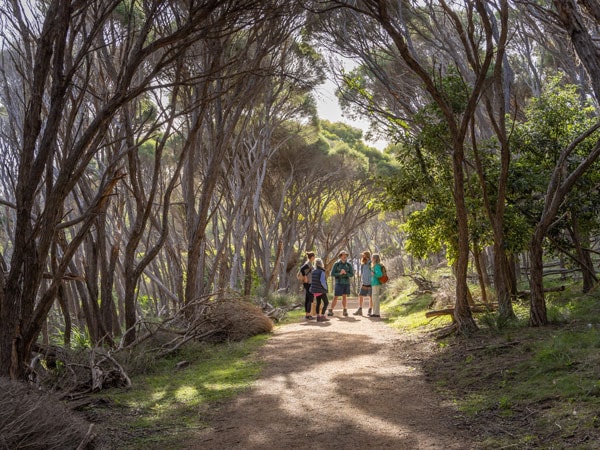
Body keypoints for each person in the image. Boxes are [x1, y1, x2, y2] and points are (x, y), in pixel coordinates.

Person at [328, 250, 354, 316]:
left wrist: (345, 273)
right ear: (340, 256)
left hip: (346, 283)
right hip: (338, 282)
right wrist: (340, 273)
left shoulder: (348, 264)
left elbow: (351, 274)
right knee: (336, 296)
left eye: (346, 255)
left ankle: (345, 310)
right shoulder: (336, 264)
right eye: (343, 255)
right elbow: (332, 274)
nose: (345, 256)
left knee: (344, 296)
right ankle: (331, 310)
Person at [309, 258, 330, 322]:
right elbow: (322, 281)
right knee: (326, 302)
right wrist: (326, 288)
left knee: (318, 302)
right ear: (321, 264)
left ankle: (318, 316)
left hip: (315, 290)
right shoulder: (322, 272)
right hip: (321, 290)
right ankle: (323, 315)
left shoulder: (313, 272)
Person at [354, 251, 372, 316]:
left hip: (371, 283)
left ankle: (370, 310)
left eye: (364, 255)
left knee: (371, 296)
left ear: (367, 256)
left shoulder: (371, 263)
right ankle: (360, 309)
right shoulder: (363, 264)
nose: (362, 257)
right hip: (364, 283)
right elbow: (362, 273)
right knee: (361, 295)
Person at [300, 251, 316, 320]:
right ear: (312, 257)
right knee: (310, 298)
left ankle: (307, 314)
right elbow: (301, 269)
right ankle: (308, 314)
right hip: (308, 283)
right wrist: (305, 277)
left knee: (307, 298)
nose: (314, 258)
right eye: (314, 257)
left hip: (309, 283)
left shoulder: (310, 263)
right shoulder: (308, 263)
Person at [370, 253, 384, 318]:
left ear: (375, 259)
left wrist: (373, 274)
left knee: (375, 299)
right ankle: (375, 312)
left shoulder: (377, 266)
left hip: (376, 284)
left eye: (372, 258)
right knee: (374, 299)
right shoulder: (375, 266)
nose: (371, 259)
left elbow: (380, 275)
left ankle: (376, 313)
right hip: (374, 284)